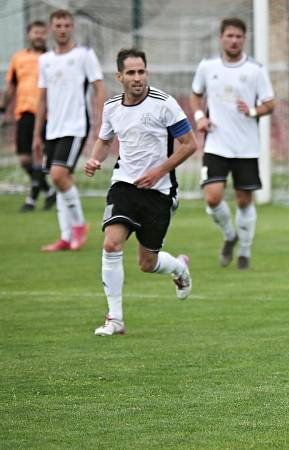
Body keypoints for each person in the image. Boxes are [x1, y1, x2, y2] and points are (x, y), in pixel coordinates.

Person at [85, 48, 198, 336]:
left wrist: (158, 172)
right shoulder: (112, 107)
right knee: (111, 244)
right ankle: (115, 319)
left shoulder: (165, 104)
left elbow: (189, 144)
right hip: (124, 185)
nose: (138, 78)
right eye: (131, 73)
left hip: (159, 191)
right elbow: (104, 139)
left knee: (147, 263)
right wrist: (95, 159)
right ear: (119, 76)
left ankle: (179, 268)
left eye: (142, 71)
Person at [190, 17, 275, 270]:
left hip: (246, 146)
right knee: (213, 197)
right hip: (216, 143)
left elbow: (270, 104)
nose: (234, 40)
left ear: (244, 39)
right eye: (230, 36)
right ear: (221, 37)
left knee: (244, 201)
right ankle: (229, 235)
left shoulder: (255, 70)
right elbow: (195, 96)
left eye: (238, 36)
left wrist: (251, 111)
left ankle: (245, 253)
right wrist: (200, 117)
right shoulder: (207, 66)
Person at [33, 9, 106, 251]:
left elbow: (99, 87)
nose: (62, 29)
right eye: (58, 25)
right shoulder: (45, 60)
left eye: (66, 25)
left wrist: (103, 119)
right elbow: (42, 99)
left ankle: (79, 226)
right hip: (52, 129)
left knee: (57, 175)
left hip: (75, 125)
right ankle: (65, 237)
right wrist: (37, 133)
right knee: (60, 180)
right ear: (51, 29)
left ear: (72, 27)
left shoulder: (84, 55)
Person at [0, 20, 56, 212]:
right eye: (35, 32)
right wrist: (2, 108)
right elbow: (11, 87)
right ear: (29, 35)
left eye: (42, 32)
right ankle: (48, 192)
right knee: (24, 159)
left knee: (39, 157)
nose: (38, 36)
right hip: (24, 112)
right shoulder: (18, 58)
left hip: (48, 114)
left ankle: (32, 199)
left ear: (46, 35)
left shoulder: (52, 57)